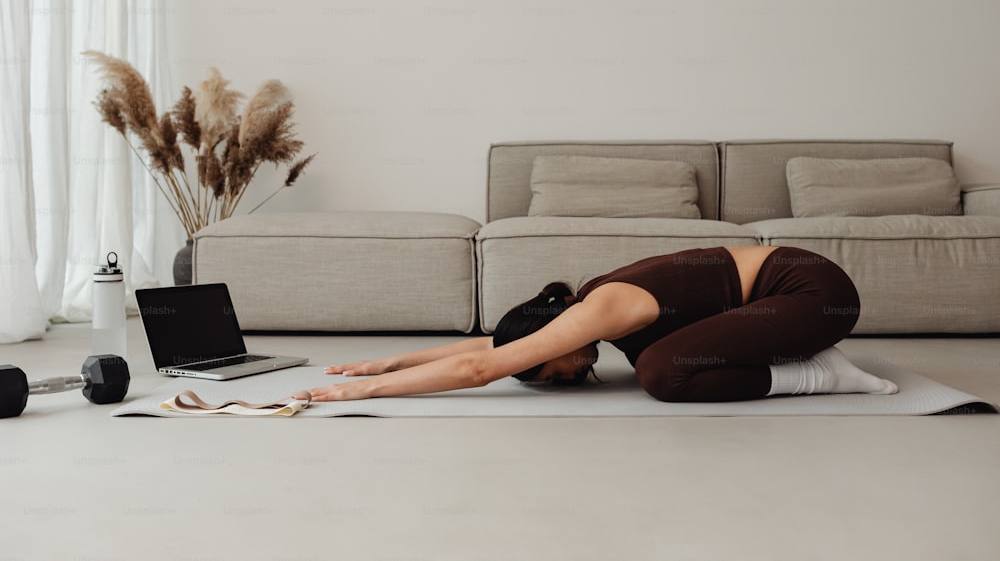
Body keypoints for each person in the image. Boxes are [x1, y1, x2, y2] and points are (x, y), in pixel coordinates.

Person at [298, 246, 898, 403]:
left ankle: (825, 375)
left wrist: (358, 391)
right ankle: (801, 360)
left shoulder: (600, 311)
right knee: (655, 361)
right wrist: (388, 361)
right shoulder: (583, 314)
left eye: (552, 376)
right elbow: (493, 345)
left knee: (662, 373)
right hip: (786, 296)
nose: (569, 376)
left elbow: (484, 367)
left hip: (811, 293)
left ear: (555, 340)